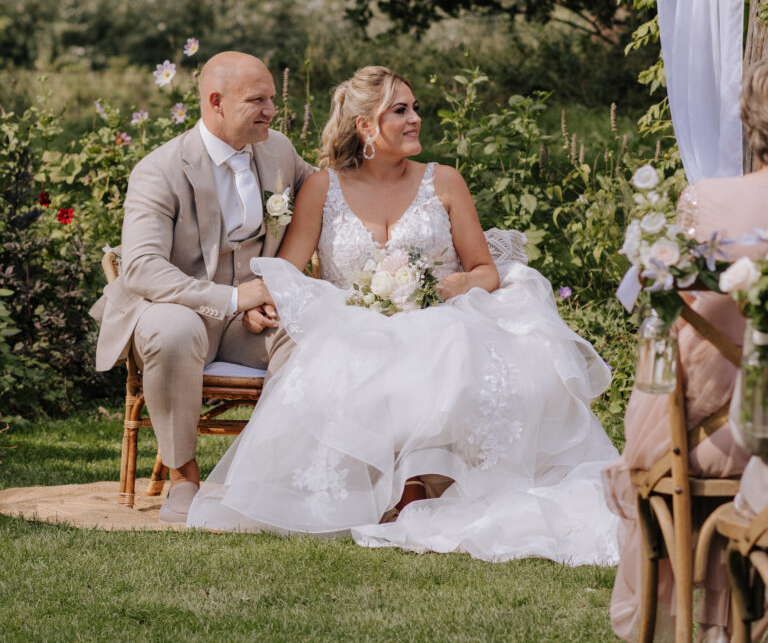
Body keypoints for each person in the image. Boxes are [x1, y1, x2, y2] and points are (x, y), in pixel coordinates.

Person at [187, 65, 620, 564]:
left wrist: (458, 283)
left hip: (443, 316)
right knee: (356, 358)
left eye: (414, 108)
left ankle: (426, 486)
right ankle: (385, 490)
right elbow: (289, 272)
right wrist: (263, 305)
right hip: (356, 322)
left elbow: (486, 271)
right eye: (401, 110)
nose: (415, 118)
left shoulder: (445, 182)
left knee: (450, 346)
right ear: (365, 126)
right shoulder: (321, 189)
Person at [89, 51, 314, 523]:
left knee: (308, 330)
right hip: (171, 308)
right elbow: (145, 269)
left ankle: (273, 475)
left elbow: (323, 196)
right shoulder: (160, 169)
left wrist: (270, 290)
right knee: (174, 331)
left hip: (245, 320)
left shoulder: (278, 151)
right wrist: (234, 298)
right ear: (216, 102)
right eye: (258, 100)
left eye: (273, 98)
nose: (272, 111)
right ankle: (183, 479)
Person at [603, 59, 768, 642]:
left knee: (660, 414)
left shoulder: (709, 202)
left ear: (751, 115)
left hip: (713, 441)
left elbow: (669, 338)